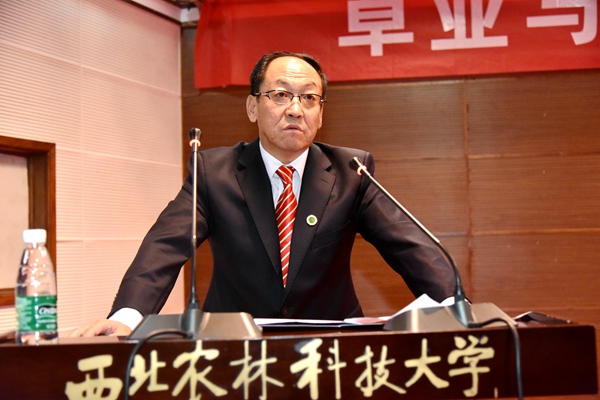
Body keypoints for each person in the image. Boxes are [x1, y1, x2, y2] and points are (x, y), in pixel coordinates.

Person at [68, 51, 455, 337]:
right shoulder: (213, 172)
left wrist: (456, 305)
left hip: (330, 346)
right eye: (281, 95)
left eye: (309, 98)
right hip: (234, 344)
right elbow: (163, 248)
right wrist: (127, 318)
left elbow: (410, 246)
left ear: (321, 113)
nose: (295, 110)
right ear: (253, 107)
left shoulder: (351, 171)